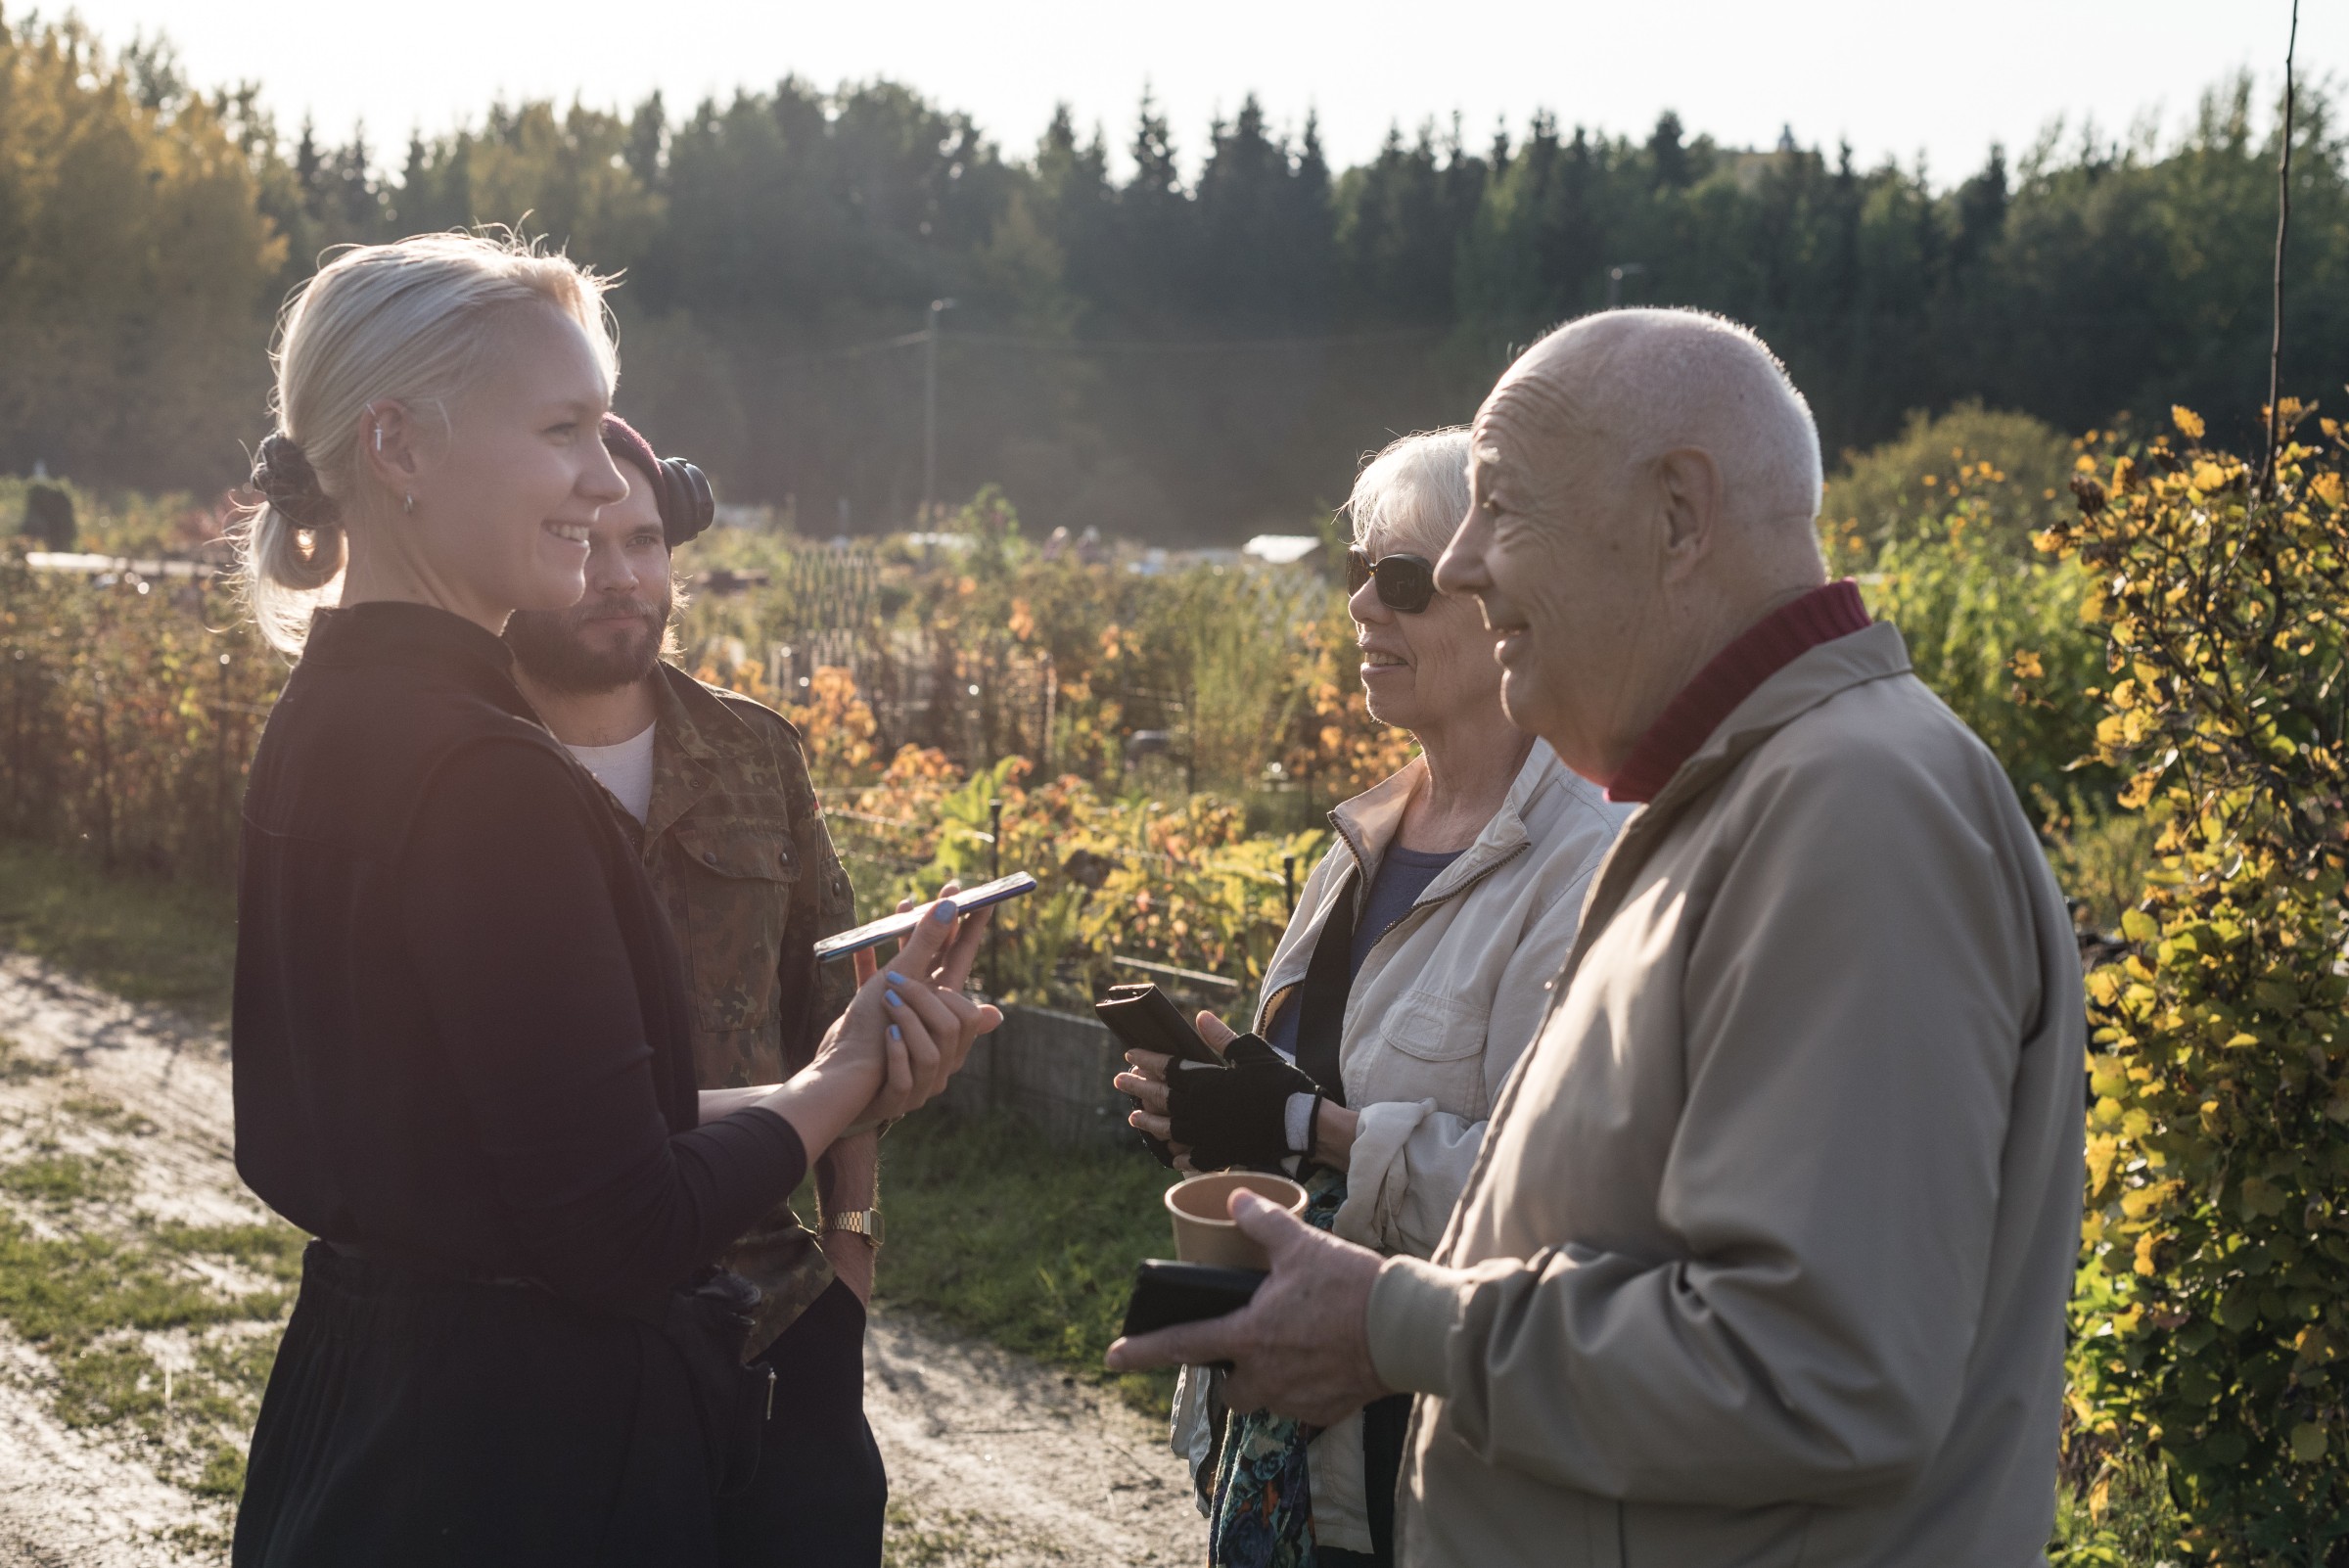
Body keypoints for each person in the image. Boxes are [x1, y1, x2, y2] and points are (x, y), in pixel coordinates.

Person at [1108, 307, 2086, 1568]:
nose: (1460, 568)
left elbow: (1815, 1377)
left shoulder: (1855, 814)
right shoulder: (1738, 803)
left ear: (1681, 515)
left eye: (1499, 510)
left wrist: (1396, 1325)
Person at [226, 232, 996, 1567]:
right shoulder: (484, 780)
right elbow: (620, 1217)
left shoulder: (326, 719)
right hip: (526, 1459)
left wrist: (817, 1090)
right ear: (398, 448)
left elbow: (525, 1132)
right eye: (566, 429)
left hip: (361, 1418)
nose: (604, 476)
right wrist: (834, 1085)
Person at [1115, 429, 1630, 1565]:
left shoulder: (1589, 867)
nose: (1359, 608)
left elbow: (1558, 1211)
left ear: (1504, 599)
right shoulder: (1361, 843)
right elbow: (1312, 1123)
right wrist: (1219, 1127)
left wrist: (1308, 1126)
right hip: (1293, 1444)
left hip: (1438, 1476)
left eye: (1401, 581)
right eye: (1355, 572)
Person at [502, 412, 888, 1564]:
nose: (620, 576)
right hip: (547, 1339)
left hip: (773, 1313)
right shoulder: (468, 768)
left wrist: (853, 1247)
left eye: (645, 541)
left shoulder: (756, 755)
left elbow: (831, 1005)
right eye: (584, 543)